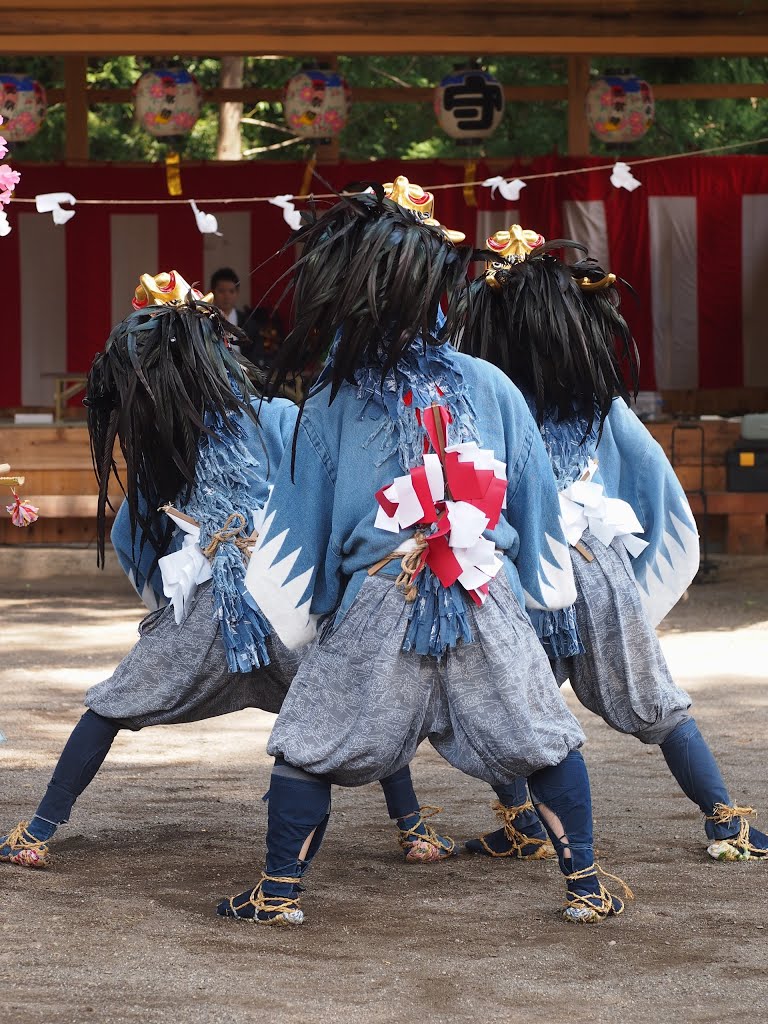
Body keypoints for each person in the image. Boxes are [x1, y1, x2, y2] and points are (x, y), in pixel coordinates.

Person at [216, 185, 631, 927]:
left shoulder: (334, 401)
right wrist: (539, 583)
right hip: (485, 591)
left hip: (382, 591)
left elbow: (300, 523)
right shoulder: (493, 386)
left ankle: (279, 894)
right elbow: (537, 498)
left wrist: (311, 612)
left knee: (309, 744)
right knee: (540, 736)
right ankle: (587, 887)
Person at [0, 271, 449, 873]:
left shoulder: (165, 438)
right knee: (341, 695)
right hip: (282, 590)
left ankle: (38, 830)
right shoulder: (277, 416)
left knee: (109, 706)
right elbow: (321, 494)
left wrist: (163, 597)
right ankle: (413, 829)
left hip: (211, 593)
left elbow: (131, 533)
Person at [460, 226, 768, 864]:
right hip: (588, 570)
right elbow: (655, 481)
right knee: (624, 702)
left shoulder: (491, 405)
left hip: (526, 572)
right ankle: (722, 822)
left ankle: (531, 823)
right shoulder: (595, 403)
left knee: (515, 704)